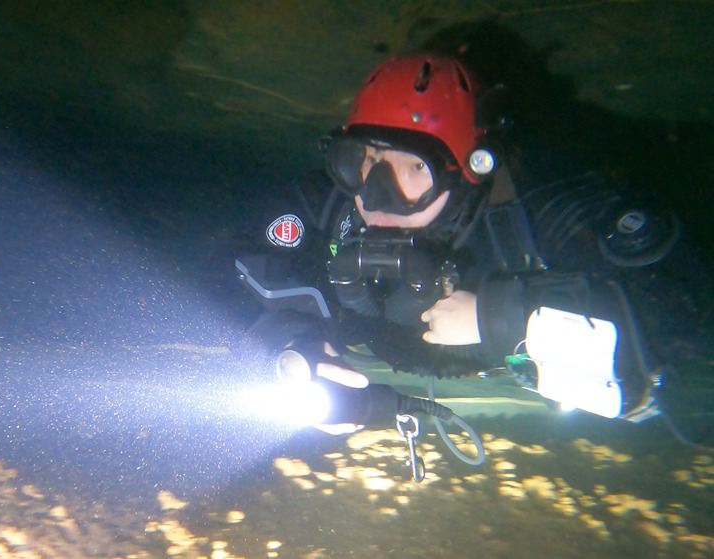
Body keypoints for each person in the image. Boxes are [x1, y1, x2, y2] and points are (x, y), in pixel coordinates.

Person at [243, 53, 711, 444]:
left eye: (414, 167)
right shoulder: (329, 207)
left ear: (465, 170)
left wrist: (506, 319)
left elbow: (684, 312)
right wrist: (291, 345)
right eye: (364, 160)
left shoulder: (537, 211)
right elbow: (234, 271)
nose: (376, 194)